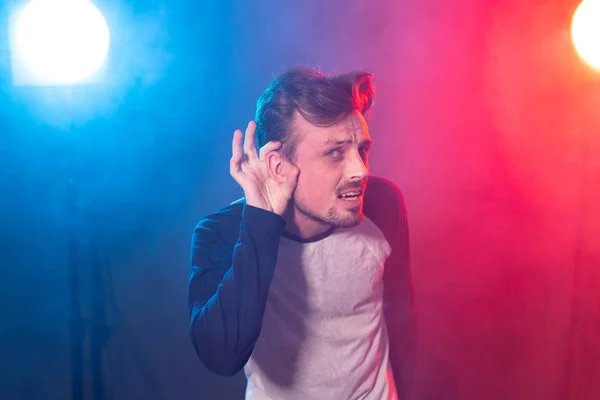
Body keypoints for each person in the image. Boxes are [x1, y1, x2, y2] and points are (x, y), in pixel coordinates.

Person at [188, 66, 416, 400]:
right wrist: (261, 221)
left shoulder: (382, 205)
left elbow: (402, 322)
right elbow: (222, 356)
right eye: (334, 152)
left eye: (361, 150)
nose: (360, 170)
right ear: (278, 166)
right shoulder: (221, 231)